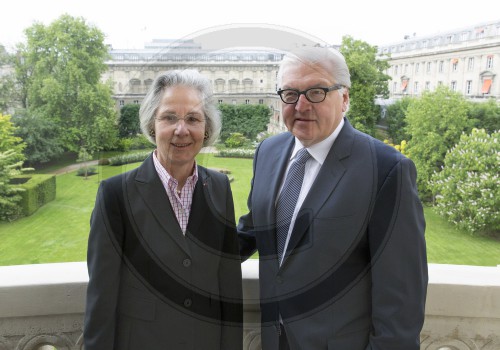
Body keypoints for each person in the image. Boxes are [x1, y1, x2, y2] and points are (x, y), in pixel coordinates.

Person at [238, 47, 428, 349]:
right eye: (289, 93)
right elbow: (253, 229)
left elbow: (401, 300)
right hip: (275, 339)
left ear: (345, 98)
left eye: (316, 92)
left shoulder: (387, 170)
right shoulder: (269, 151)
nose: (301, 105)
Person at [84, 69, 243, 350]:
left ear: (206, 129)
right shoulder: (114, 195)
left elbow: (228, 283)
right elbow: (102, 297)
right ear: (152, 125)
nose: (181, 130)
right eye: (169, 117)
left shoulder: (219, 187)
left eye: (193, 118)